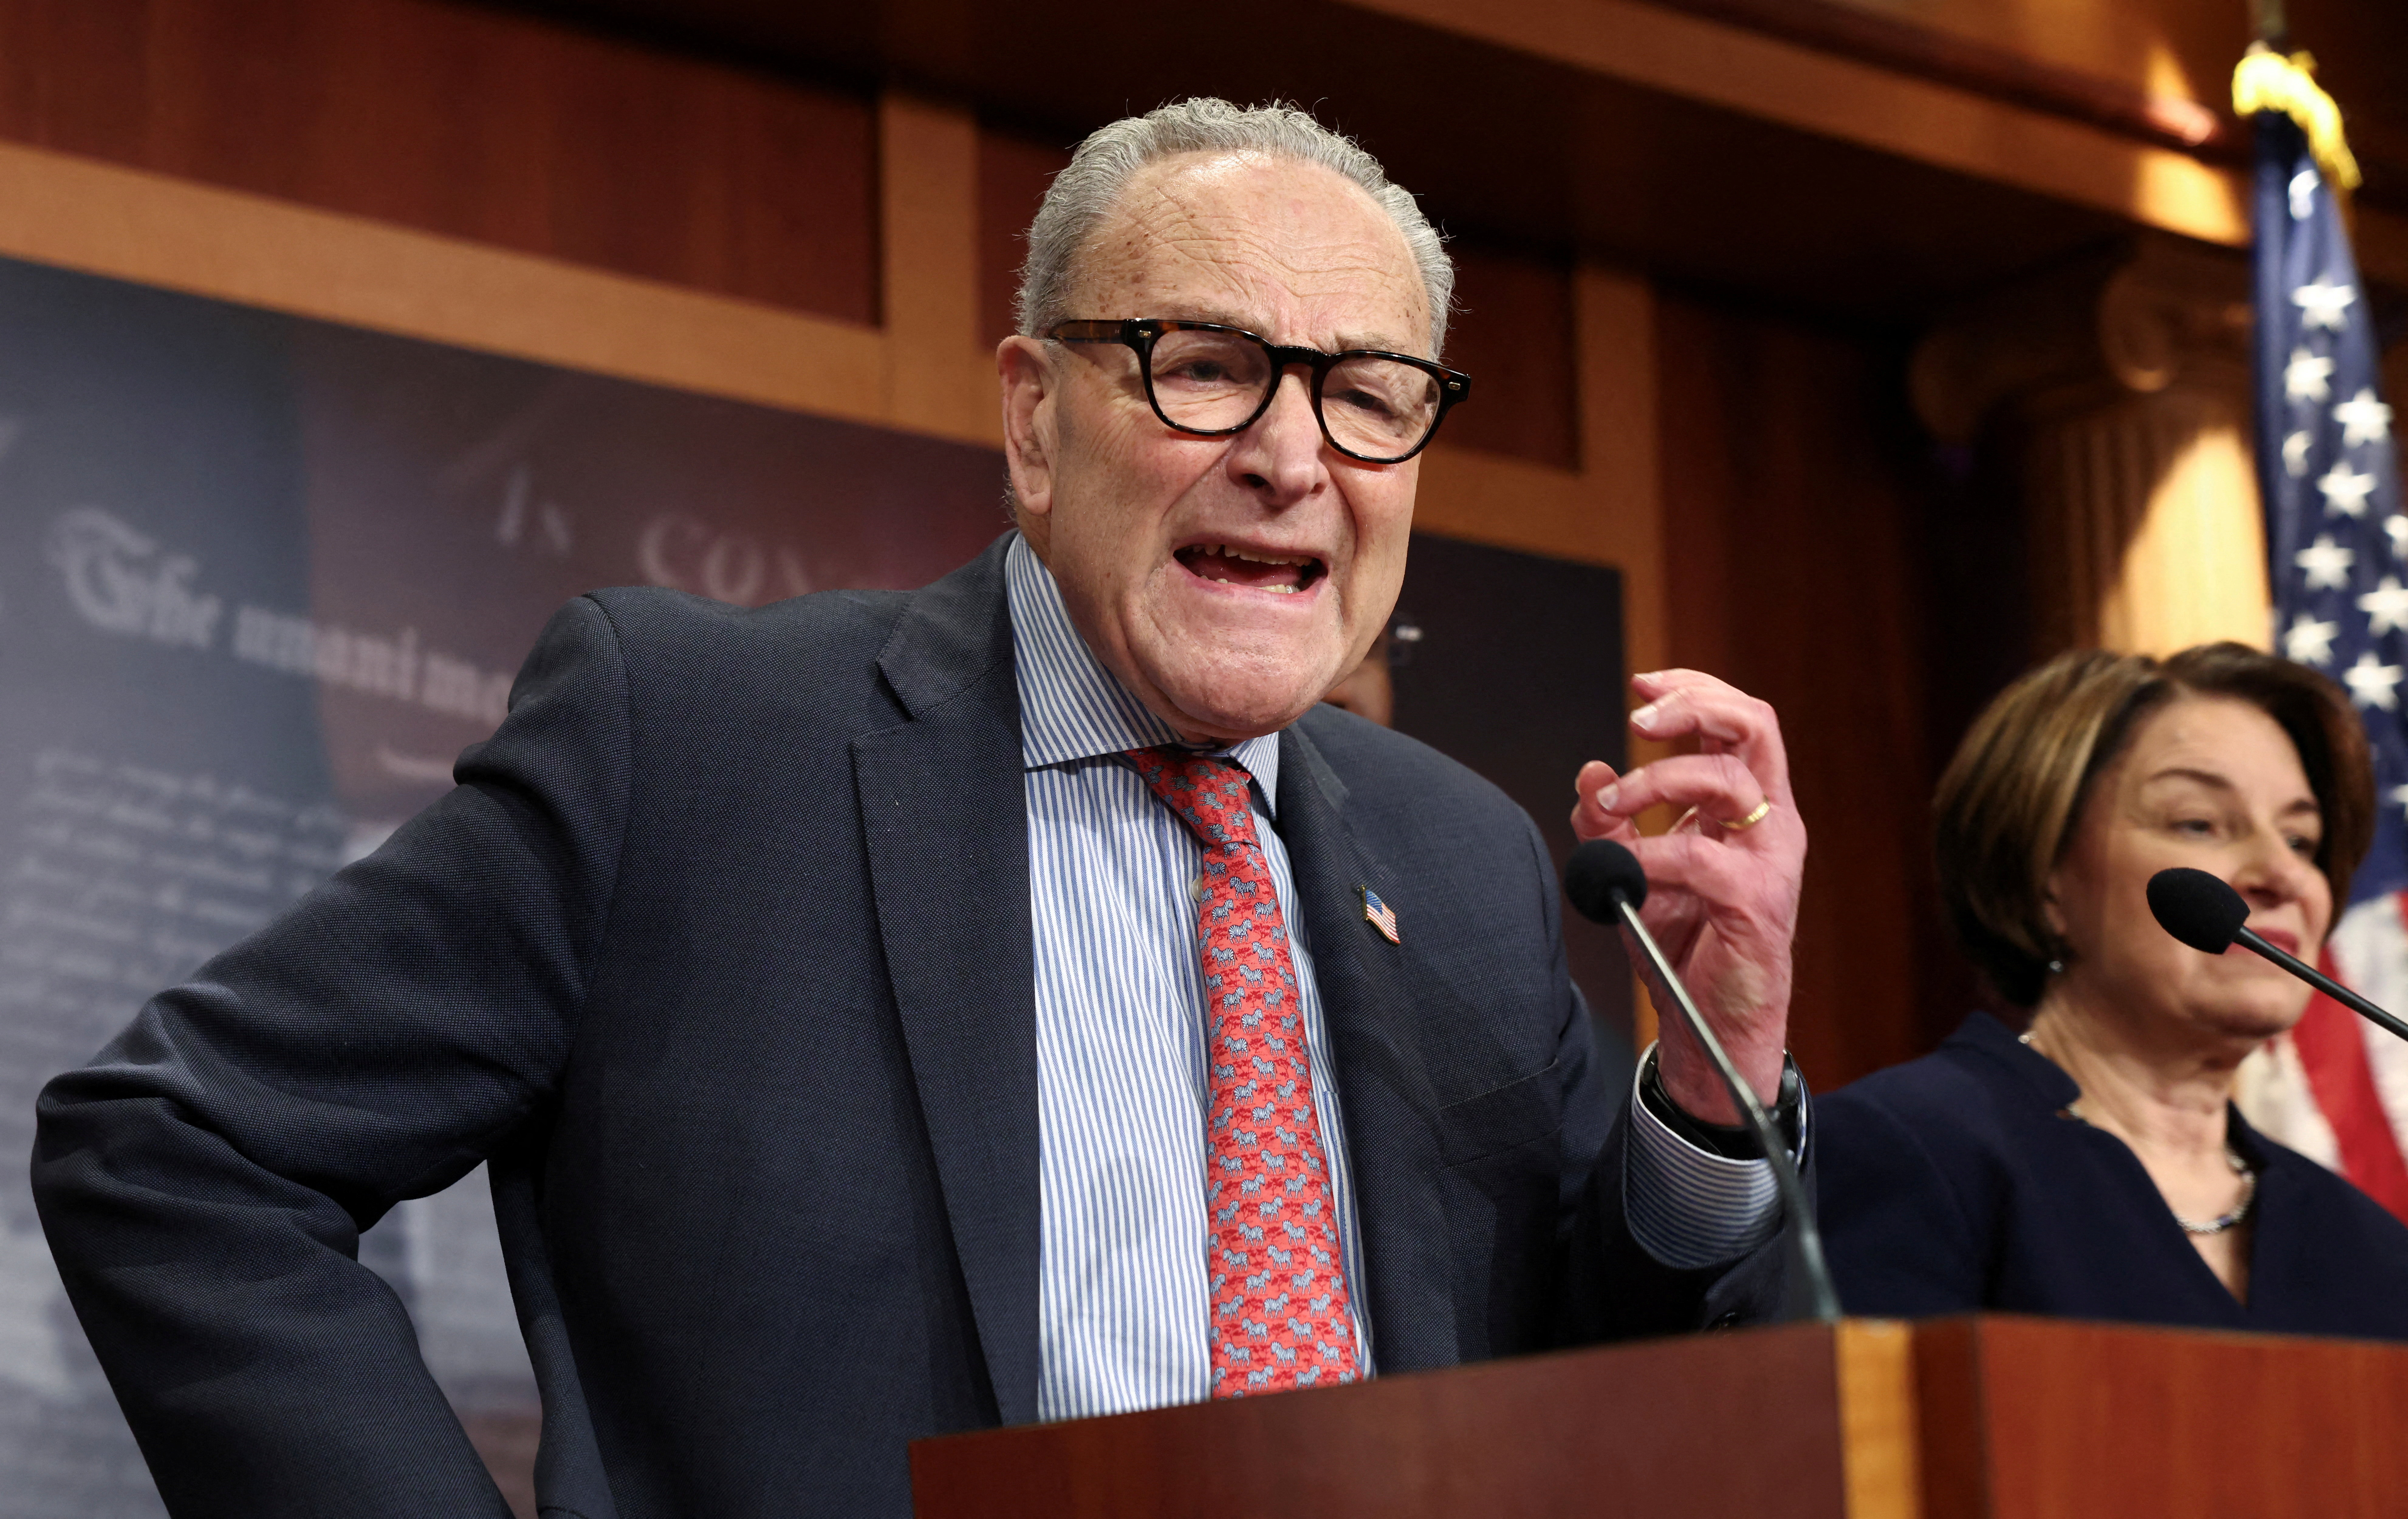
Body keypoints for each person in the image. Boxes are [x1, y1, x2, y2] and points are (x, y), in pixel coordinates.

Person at [33, 100, 1812, 1518]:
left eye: (1367, 395)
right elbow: (183, 1144)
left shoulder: (1465, 857)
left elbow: (1588, 1388)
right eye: (1203, 362)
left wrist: (1702, 1086)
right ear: (1035, 420)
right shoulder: (699, 740)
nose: (1292, 454)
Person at [1817, 642, 2408, 1336]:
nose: (2281, 874)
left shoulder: (2373, 1248)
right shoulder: (1913, 1148)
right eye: (2199, 823)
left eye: (2302, 840)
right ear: (2048, 877)